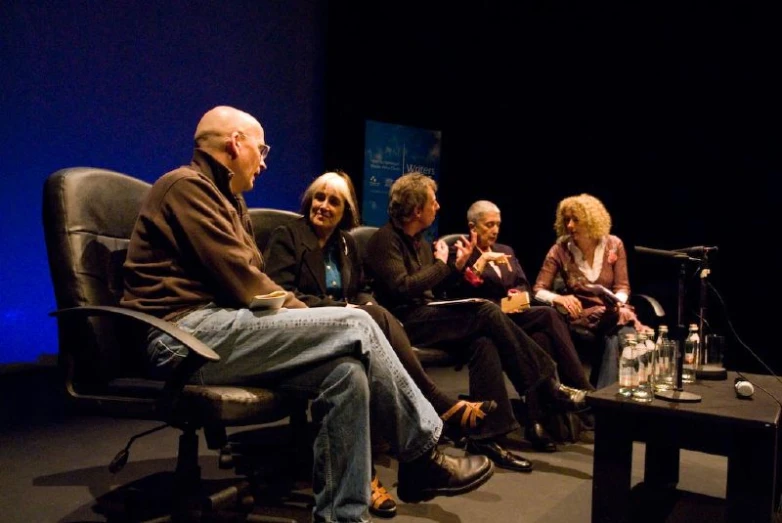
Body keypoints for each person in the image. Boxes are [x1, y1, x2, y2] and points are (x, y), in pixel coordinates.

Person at [120, 106, 494, 523]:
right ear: (234, 144)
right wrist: (318, 318)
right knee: (356, 322)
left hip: (219, 330)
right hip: (181, 335)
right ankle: (422, 452)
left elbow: (249, 275)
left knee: (347, 373)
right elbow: (243, 277)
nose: (263, 162)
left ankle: (342, 516)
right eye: (260, 150)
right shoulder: (186, 187)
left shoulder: (230, 201)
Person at [263, 170, 496, 517]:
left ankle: (366, 477)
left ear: (346, 212)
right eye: (319, 197)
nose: (323, 205)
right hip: (302, 326)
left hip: (342, 329)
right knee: (375, 318)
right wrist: (344, 309)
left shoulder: (346, 244)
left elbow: (359, 288)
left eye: (334, 201)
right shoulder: (288, 236)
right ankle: (436, 418)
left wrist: (361, 305)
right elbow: (282, 295)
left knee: (358, 364)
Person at [364, 172, 589, 470]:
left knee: (484, 341)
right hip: (403, 323)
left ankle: (485, 437)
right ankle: (545, 385)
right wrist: (446, 265)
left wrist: (455, 268)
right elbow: (402, 287)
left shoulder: (421, 242)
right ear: (417, 210)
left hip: (428, 313)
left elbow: (436, 287)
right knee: (486, 310)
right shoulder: (385, 240)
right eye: (433, 202)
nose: (439, 206)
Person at [532, 193, 646, 389]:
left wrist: (616, 300)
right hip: (580, 315)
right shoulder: (560, 250)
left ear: (591, 221)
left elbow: (622, 287)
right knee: (617, 333)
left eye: (575, 220)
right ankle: (604, 399)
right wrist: (558, 298)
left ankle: (601, 396)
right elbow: (538, 289)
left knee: (620, 333)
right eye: (566, 219)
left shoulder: (614, 244)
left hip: (610, 312)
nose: (569, 225)